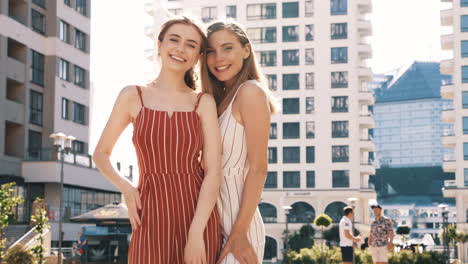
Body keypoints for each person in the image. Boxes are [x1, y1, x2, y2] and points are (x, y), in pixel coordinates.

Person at [93, 16, 222, 263]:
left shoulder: (203, 102)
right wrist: (127, 188)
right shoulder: (133, 96)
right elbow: (101, 153)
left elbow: (213, 172)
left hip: (198, 214)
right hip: (150, 211)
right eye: (174, 40)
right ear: (160, 46)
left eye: (191, 45)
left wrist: (196, 234)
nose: (180, 48)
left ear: (197, 57)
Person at [201, 20, 278, 263]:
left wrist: (238, 231)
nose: (218, 58)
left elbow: (258, 168)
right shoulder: (218, 101)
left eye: (227, 48)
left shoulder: (250, 92)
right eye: (210, 51)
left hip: (240, 229)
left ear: (246, 51)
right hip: (215, 227)